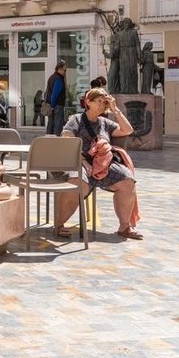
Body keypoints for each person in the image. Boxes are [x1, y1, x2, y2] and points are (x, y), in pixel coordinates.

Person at [56, 88, 143, 240]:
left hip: (102, 164)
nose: (102, 105)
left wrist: (115, 109)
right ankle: (59, 224)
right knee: (77, 183)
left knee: (128, 182)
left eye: (104, 102)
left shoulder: (105, 123)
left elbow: (127, 130)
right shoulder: (76, 120)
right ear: (88, 102)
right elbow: (66, 139)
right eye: (99, 101)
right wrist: (84, 162)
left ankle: (124, 227)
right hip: (78, 162)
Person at [45, 61, 67, 136]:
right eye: (64, 70)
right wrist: (53, 105)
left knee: (50, 123)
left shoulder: (52, 77)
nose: (65, 72)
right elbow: (55, 93)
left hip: (52, 104)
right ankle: (56, 140)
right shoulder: (58, 79)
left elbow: (48, 92)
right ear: (59, 69)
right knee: (58, 124)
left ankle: (48, 139)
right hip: (57, 105)